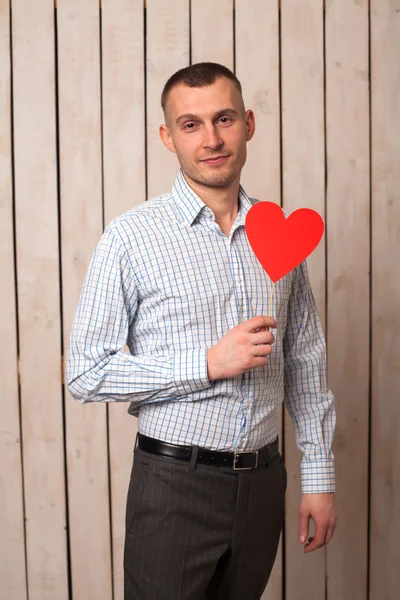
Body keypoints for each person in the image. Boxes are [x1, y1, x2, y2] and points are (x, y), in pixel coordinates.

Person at [66, 62, 337, 600]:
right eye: (191, 125)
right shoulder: (130, 238)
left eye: (224, 119)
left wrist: (319, 476)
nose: (211, 139)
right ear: (168, 137)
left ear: (249, 124)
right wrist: (207, 363)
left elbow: (305, 356)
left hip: (263, 484)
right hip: (173, 488)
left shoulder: (279, 233)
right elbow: (85, 373)